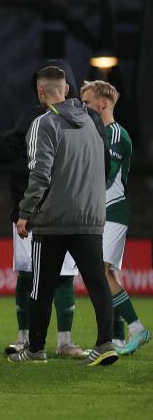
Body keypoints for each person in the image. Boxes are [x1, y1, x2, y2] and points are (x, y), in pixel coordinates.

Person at [10, 66, 117, 366]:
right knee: (97, 282)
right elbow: (106, 166)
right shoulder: (92, 122)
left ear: (41, 93)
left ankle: (35, 349)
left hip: (53, 220)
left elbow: (39, 174)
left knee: (41, 287)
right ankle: (105, 343)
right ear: (67, 89)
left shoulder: (44, 123)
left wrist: (25, 212)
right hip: (91, 217)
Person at [0, 61, 88, 359]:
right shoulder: (31, 118)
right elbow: (7, 153)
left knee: (64, 275)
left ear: (68, 87)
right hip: (27, 211)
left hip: (65, 211)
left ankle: (65, 341)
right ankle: (23, 338)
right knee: (28, 274)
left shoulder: (80, 118)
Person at [80, 80, 149, 355]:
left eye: (87, 103)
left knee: (103, 272)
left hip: (113, 209)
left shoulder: (116, 134)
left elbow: (106, 176)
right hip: (102, 211)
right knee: (107, 273)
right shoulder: (100, 133)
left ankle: (137, 329)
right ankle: (120, 337)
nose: (83, 108)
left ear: (103, 103)